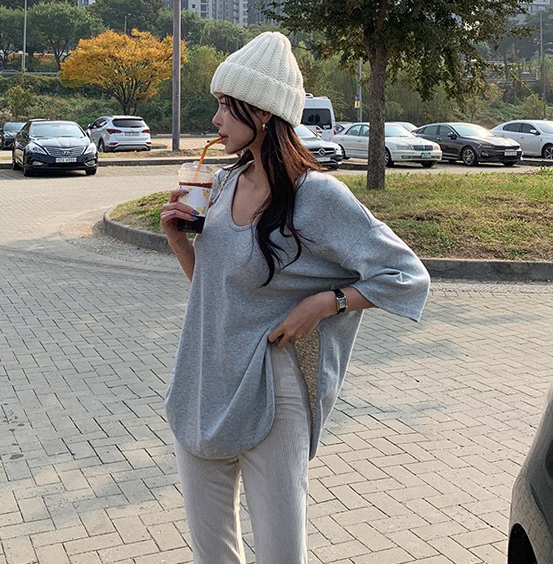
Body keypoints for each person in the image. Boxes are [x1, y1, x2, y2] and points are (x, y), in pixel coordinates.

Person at [160, 31, 430, 564]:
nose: (215, 119)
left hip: (273, 387)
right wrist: (179, 242)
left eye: (225, 105)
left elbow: (406, 274)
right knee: (211, 554)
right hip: (203, 380)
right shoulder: (224, 183)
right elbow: (217, 293)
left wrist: (325, 302)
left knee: (281, 554)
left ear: (262, 111)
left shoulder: (317, 196)